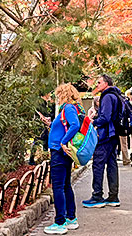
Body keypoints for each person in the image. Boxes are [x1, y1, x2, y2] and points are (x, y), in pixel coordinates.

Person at [45, 84, 83, 235]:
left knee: (58, 187)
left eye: (58, 94)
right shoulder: (72, 108)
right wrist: (51, 124)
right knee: (66, 185)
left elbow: (74, 125)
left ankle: (60, 222)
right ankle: (71, 218)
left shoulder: (68, 108)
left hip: (59, 152)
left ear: (63, 94)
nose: (56, 98)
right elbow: (67, 126)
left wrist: (62, 142)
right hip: (64, 152)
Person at [83, 74, 122, 208]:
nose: (97, 85)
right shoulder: (116, 95)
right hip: (114, 135)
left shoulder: (106, 96)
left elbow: (105, 117)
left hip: (105, 135)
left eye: (99, 82)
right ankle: (113, 196)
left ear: (106, 83)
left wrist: (94, 121)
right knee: (112, 164)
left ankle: (97, 196)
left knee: (98, 164)